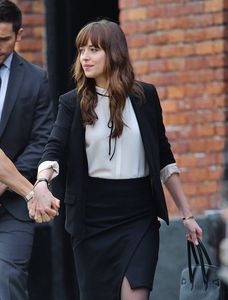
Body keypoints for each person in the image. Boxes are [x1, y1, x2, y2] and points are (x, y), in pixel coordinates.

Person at [30, 19, 203, 300]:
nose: (85, 57)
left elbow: (164, 157)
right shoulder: (71, 103)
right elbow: (54, 148)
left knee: (136, 294)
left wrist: (187, 214)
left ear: (115, 53)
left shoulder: (145, 96)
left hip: (139, 217)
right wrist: (41, 183)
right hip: (91, 220)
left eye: (94, 49)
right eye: (81, 50)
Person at [0, 1, 58, 299]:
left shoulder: (36, 79)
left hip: (12, 208)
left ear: (19, 34)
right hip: (25, 193)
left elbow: (42, 140)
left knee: (9, 280)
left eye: (3, 39)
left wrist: (5, 183)